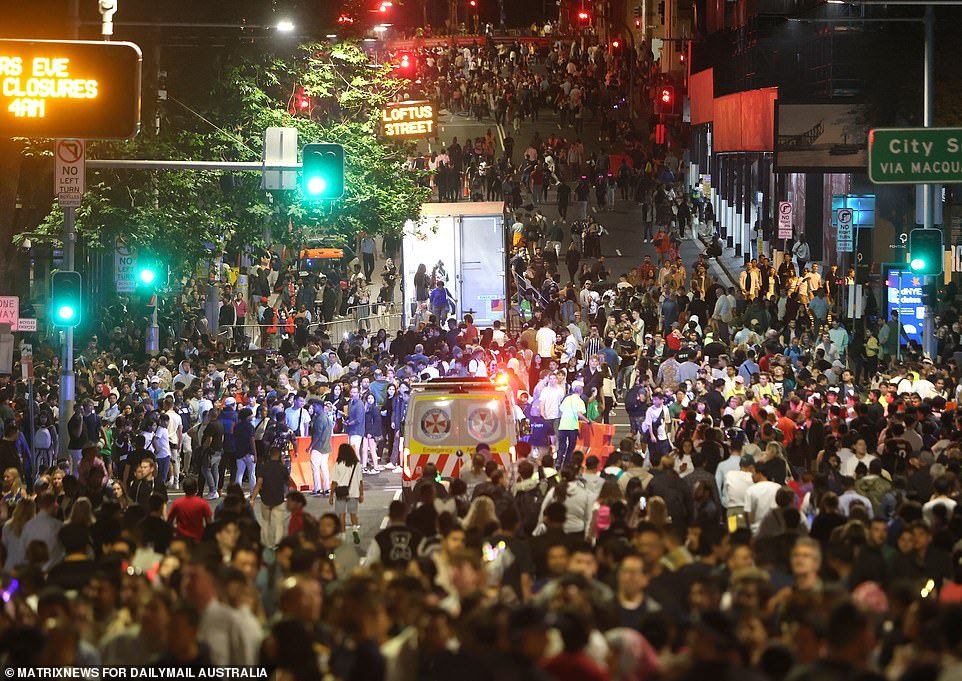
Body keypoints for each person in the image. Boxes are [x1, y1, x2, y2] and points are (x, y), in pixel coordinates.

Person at [249, 446, 290, 550]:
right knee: (279, 523)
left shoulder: (263, 467)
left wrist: (252, 499)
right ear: (279, 455)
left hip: (265, 499)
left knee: (266, 522)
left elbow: (259, 483)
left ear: (270, 455)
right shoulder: (282, 468)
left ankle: (268, 544)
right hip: (279, 499)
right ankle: (277, 543)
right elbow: (288, 483)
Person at [330, 443, 364, 545]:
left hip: (341, 493)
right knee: (353, 514)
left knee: (342, 515)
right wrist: (361, 494)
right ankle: (354, 530)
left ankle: (343, 536)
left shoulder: (338, 464)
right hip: (353, 492)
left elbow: (334, 482)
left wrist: (331, 495)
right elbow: (360, 481)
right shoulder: (356, 464)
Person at [310, 400, 334, 497]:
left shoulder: (319, 419)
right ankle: (326, 488)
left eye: (315, 406)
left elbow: (317, 435)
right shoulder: (326, 418)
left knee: (315, 467)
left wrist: (310, 446)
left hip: (318, 447)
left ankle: (317, 488)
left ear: (320, 407)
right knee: (324, 467)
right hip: (326, 446)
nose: (313, 409)